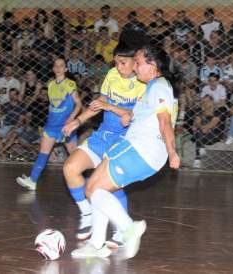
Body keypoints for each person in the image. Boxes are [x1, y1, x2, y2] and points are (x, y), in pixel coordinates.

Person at [69, 45, 180, 259]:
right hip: (143, 152)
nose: (135, 68)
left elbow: (164, 121)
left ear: (152, 65)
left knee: (92, 189)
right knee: (100, 189)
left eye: (138, 63)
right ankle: (97, 245)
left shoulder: (159, 87)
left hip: (140, 149)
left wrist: (172, 152)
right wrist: (130, 116)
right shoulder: (152, 88)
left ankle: (129, 229)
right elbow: (145, 115)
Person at [61, 42, 146, 241]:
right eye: (116, 62)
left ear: (136, 62)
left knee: (112, 184)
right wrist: (78, 121)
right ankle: (87, 213)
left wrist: (109, 105)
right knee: (70, 168)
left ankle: (121, 229)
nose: (118, 67)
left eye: (123, 62)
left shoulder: (144, 83)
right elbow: (99, 104)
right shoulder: (112, 75)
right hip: (103, 134)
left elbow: (133, 115)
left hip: (125, 139)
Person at [16, 58, 82, 190]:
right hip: (51, 125)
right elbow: (52, 105)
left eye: (61, 65)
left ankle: (85, 182)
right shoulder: (50, 84)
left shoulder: (69, 84)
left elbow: (79, 104)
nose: (58, 68)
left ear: (65, 69)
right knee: (43, 153)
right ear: (53, 68)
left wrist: (71, 118)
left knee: (75, 155)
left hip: (65, 126)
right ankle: (32, 181)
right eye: (56, 65)